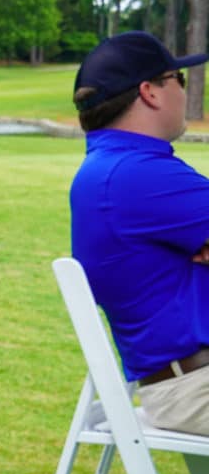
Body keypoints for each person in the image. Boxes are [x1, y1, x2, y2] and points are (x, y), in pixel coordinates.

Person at [70, 30, 209, 435]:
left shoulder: (113, 167)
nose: (185, 91)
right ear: (150, 92)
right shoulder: (136, 173)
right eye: (177, 79)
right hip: (195, 388)